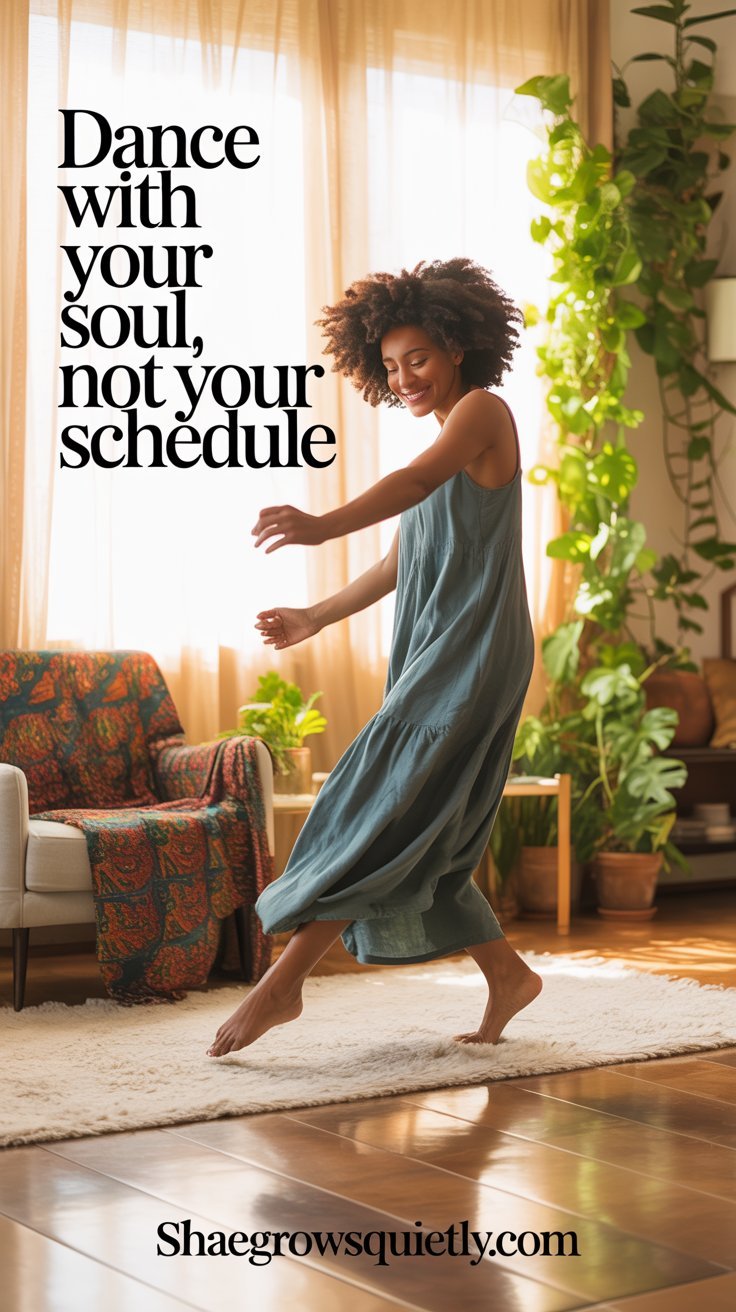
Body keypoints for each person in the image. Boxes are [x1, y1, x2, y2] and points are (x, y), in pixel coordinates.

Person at [207, 257, 541, 1058]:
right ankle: (508, 976)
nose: (405, 377)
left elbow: (416, 480)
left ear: (457, 346)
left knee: (380, 809)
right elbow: (402, 562)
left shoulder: (482, 414)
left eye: (418, 358)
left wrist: (320, 524)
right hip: (436, 649)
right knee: (426, 823)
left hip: (476, 651)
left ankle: (280, 988)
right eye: (390, 367)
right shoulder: (449, 444)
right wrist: (313, 617)